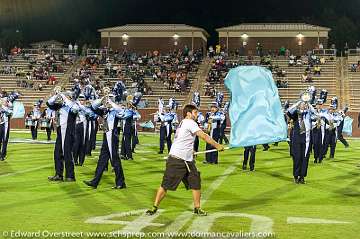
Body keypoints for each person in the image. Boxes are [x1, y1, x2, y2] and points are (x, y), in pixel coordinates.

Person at [145, 104, 225, 216]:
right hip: (177, 160)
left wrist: (190, 150)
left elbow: (184, 139)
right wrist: (217, 145)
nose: (197, 115)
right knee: (166, 184)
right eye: (195, 113)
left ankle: (197, 208)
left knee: (196, 183)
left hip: (187, 160)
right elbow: (204, 136)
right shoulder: (190, 122)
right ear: (189, 113)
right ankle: (154, 207)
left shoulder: (184, 123)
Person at [83, 94, 126, 189]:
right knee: (102, 161)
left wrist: (111, 102)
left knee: (115, 160)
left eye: (108, 100)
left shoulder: (115, 111)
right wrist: (102, 99)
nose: (107, 102)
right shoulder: (104, 111)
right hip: (106, 137)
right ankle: (95, 182)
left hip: (113, 137)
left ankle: (121, 183)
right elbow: (93, 107)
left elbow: (121, 111)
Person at [47, 91, 79, 182]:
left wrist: (65, 99)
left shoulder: (74, 105)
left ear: (69, 97)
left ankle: (70, 176)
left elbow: (75, 110)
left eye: (65, 96)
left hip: (69, 132)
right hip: (61, 132)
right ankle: (58, 174)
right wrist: (57, 95)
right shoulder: (59, 105)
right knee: (57, 153)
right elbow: (49, 103)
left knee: (67, 153)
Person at [287, 100, 313, 184]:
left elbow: (316, 114)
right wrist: (298, 102)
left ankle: (302, 177)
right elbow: (288, 111)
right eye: (302, 104)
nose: (303, 105)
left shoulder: (308, 114)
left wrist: (308, 103)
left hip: (306, 139)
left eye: (304, 104)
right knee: (297, 157)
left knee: (305, 158)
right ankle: (295, 176)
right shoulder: (295, 114)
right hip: (297, 139)